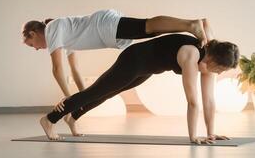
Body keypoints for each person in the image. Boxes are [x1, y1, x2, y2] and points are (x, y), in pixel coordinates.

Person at [37, 23, 239, 144]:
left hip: (148, 69)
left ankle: (73, 116)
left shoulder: (207, 64)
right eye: (221, 69)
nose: (219, 74)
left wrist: (211, 133)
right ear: (213, 60)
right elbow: (193, 101)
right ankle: (50, 119)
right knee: (98, 90)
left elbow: (209, 100)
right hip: (135, 60)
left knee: (108, 93)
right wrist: (193, 137)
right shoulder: (191, 53)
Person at [22, 9, 211, 136]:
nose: (37, 49)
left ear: (33, 33)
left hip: (103, 27)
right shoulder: (64, 35)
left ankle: (190, 25)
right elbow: (74, 69)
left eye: (32, 45)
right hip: (106, 29)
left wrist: (69, 98)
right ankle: (73, 117)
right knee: (149, 30)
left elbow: (57, 69)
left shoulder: (53, 29)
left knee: (149, 26)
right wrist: (77, 99)